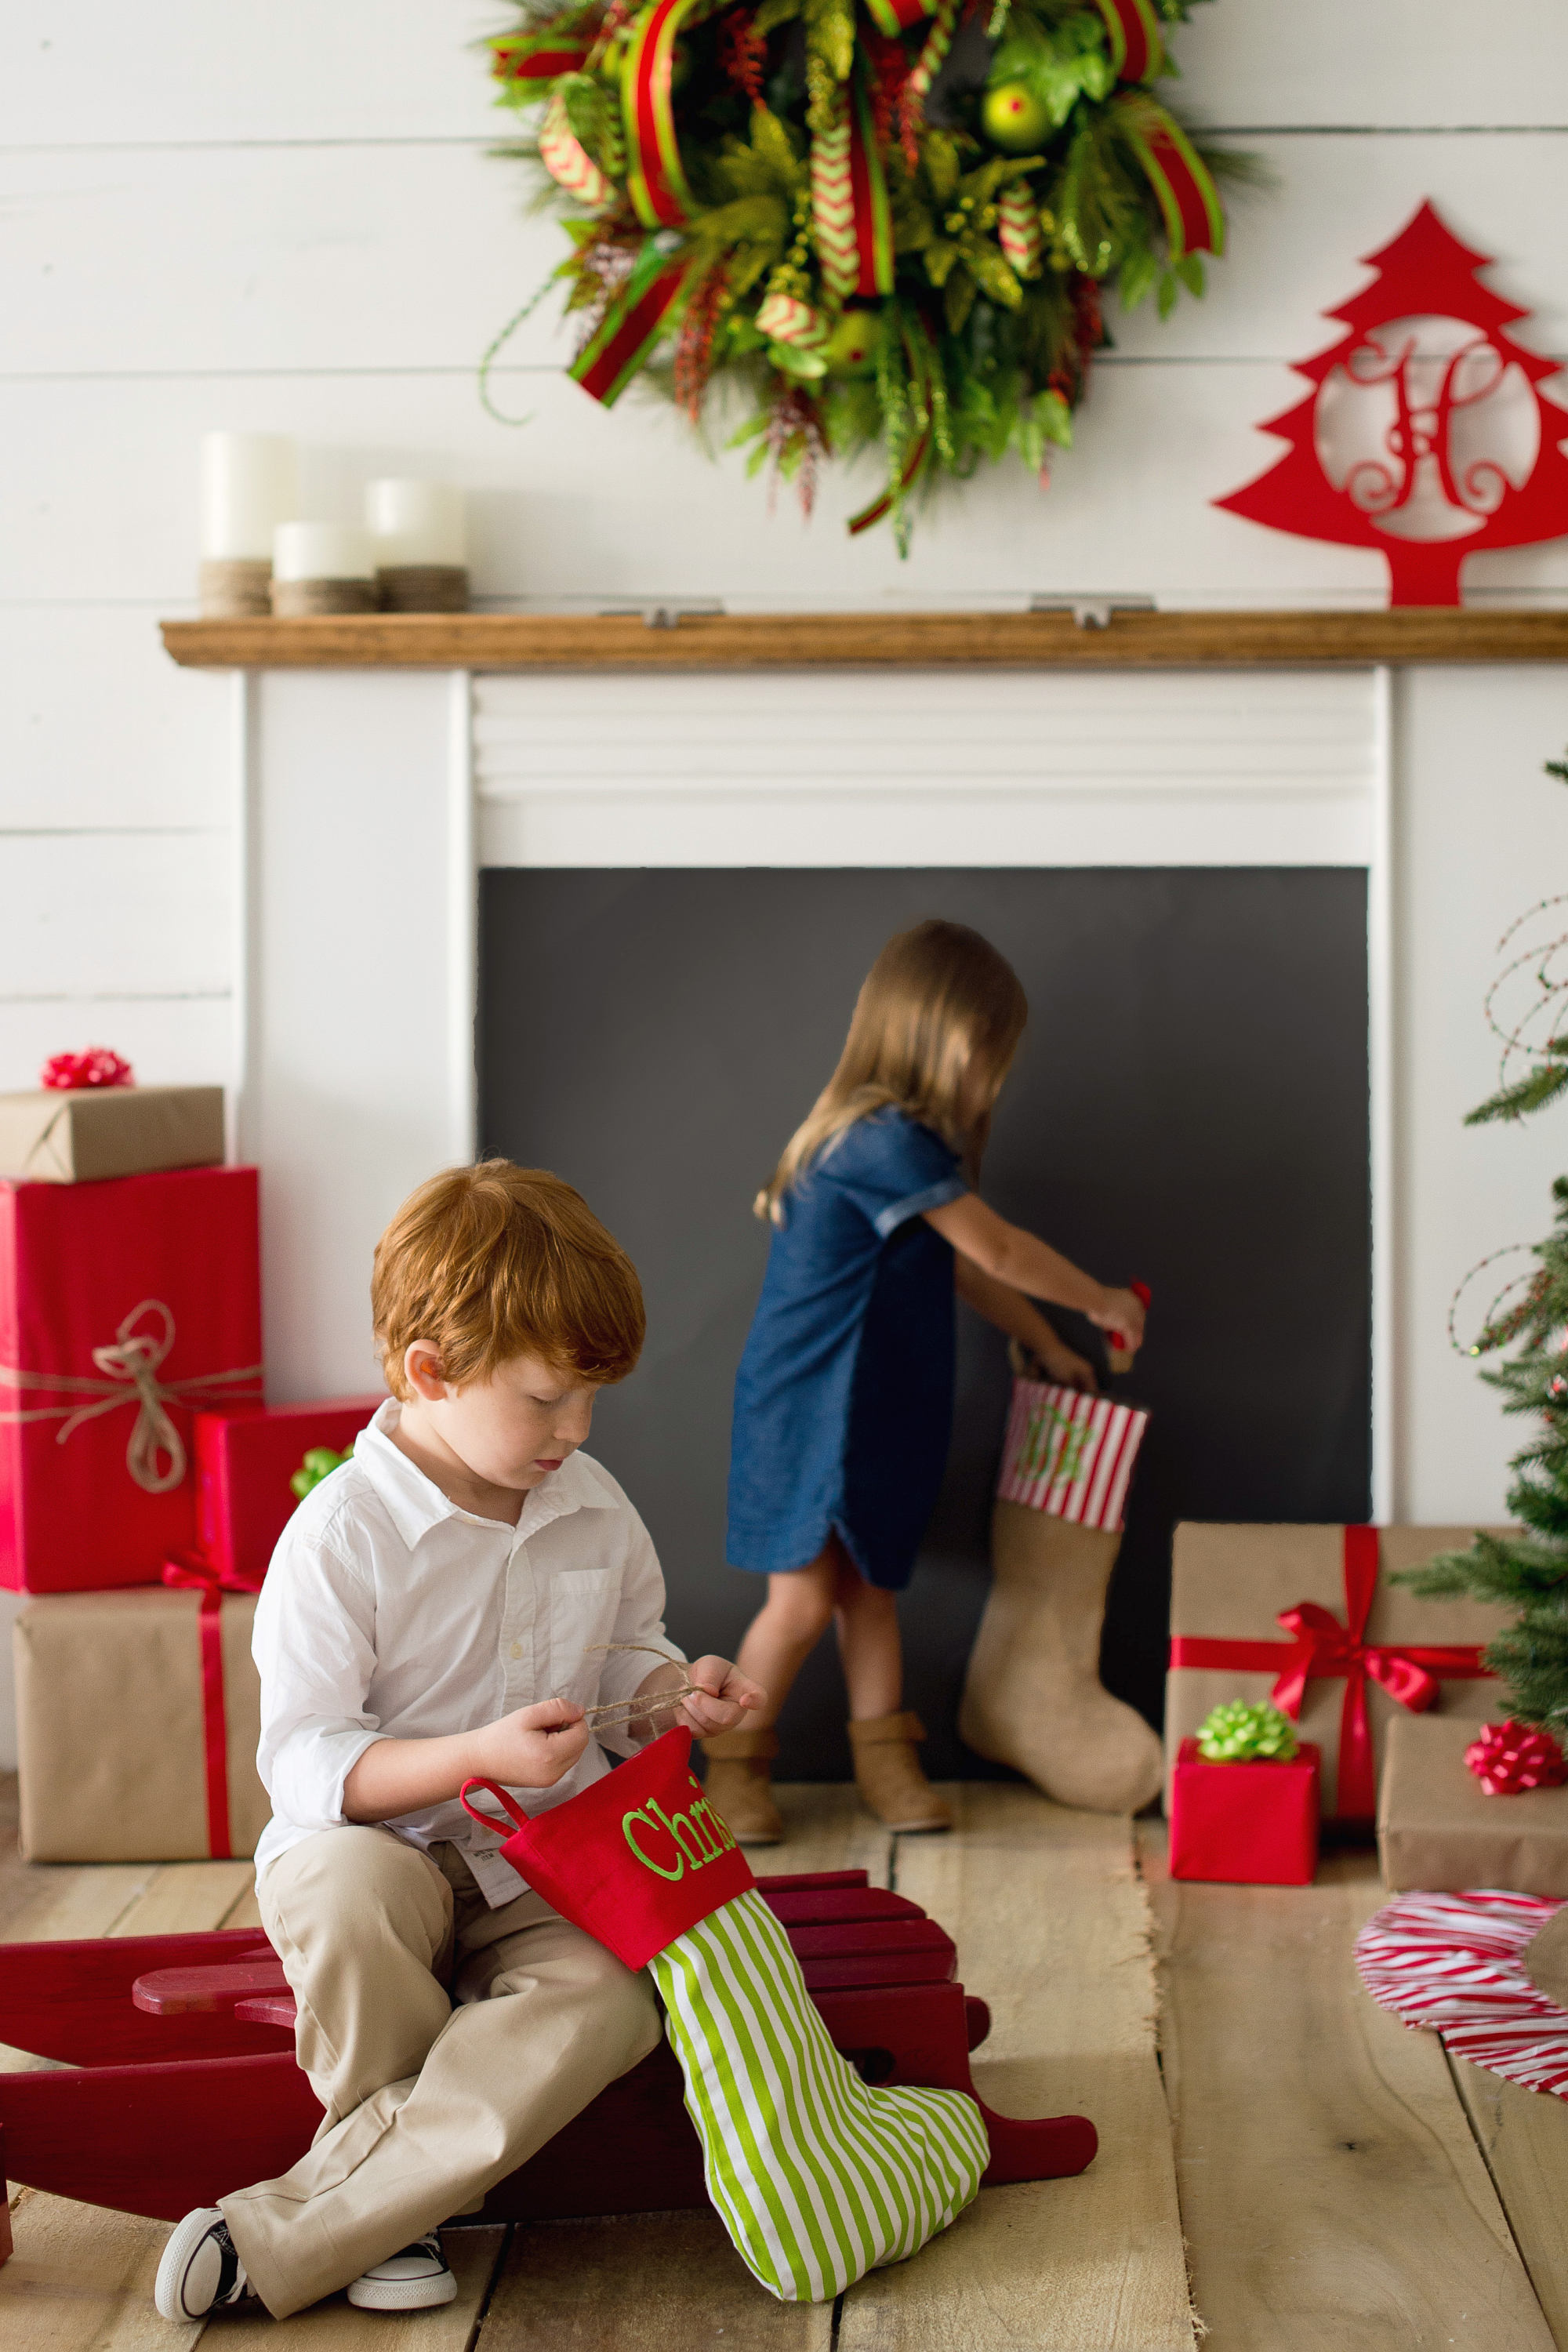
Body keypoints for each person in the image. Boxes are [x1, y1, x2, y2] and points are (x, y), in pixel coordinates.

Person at [154, 1163, 762, 2325]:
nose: (575, 1431)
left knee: (620, 2002)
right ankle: (394, 2208)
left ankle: (323, 2226)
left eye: (592, 1399)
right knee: (347, 1889)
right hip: (377, 1855)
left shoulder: (592, 1503)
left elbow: (626, 1652)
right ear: (429, 1373)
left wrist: (678, 1687)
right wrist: (475, 1755)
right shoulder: (341, 1536)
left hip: (540, 1860)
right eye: (544, 1401)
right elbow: (309, 1766)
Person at [706, 919, 1145, 1845]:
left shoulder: (902, 1152)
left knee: (871, 1592)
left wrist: (1044, 1340)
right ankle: (733, 1767)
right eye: (990, 1055)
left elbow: (964, 1271)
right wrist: (1099, 1301)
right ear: (948, 1041)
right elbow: (996, 1246)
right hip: (809, 1409)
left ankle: (884, 1760)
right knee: (801, 1602)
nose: (993, 1077)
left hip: (869, 1411)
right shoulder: (879, 1142)